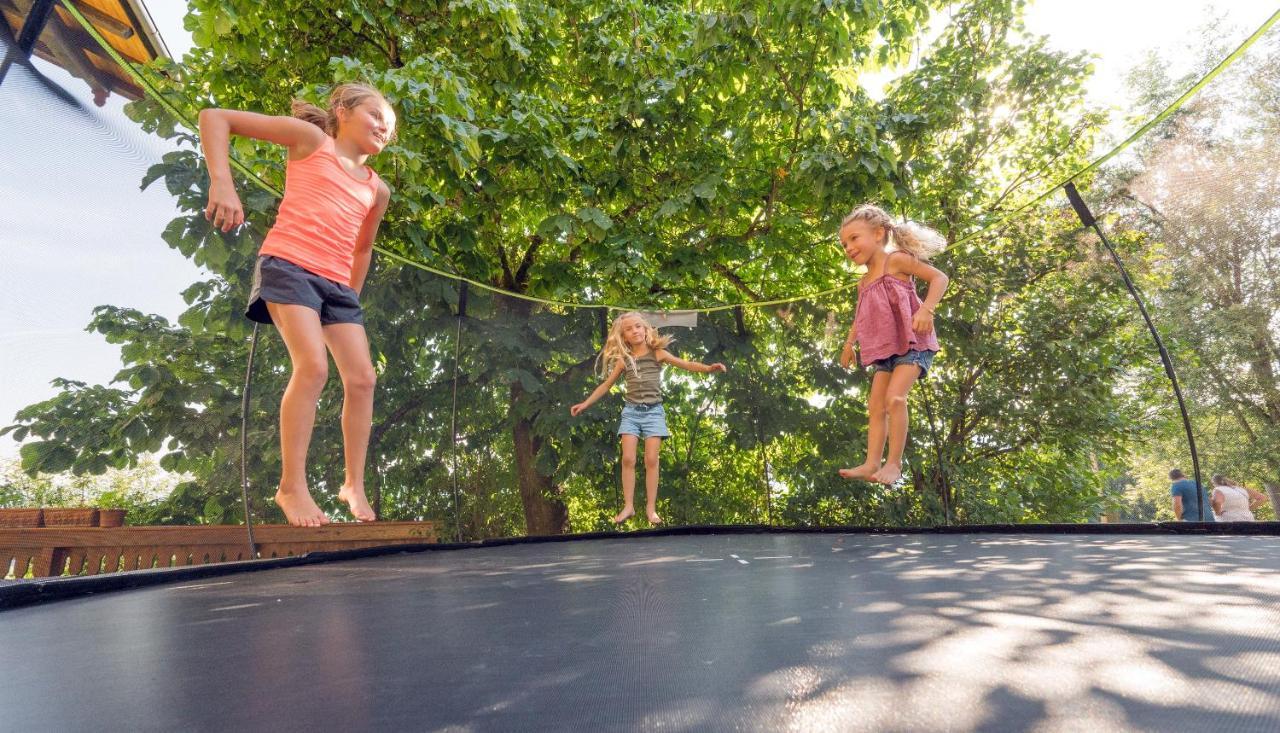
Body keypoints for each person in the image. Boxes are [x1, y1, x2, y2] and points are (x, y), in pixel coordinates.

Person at [199, 84, 395, 527]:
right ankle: (292, 487)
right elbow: (215, 117)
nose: (385, 126)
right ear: (342, 111)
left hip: (337, 286)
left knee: (363, 378)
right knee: (314, 367)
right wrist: (222, 183)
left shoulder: (377, 190)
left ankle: (353, 484)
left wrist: (350, 301)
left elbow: (363, 249)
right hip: (289, 264)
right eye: (376, 114)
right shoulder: (311, 142)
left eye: (390, 125)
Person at [570, 312, 726, 525]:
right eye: (629, 329)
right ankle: (628, 506)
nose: (634, 331)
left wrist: (708, 368)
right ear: (624, 336)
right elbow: (606, 385)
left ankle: (651, 509)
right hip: (631, 412)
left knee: (651, 460)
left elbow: (686, 364)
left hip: (654, 412)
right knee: (628, 459)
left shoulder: (658, 353)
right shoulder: (625, 361)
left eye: (637, 327)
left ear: (645, 329)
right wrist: (585, 403)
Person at [836, 204, 949, 485]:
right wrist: (849, 343)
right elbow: (860, 316)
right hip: (887, 350)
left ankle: (894, 464)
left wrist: (927, 310)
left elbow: (939, 278)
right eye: (844, 244)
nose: (848, 247)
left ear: (878, 234)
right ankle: (871, 463)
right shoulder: (863, 283)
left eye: (853, 238)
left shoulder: (896, 261)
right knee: (875, 406)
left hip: (914, 343)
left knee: (895, 399)